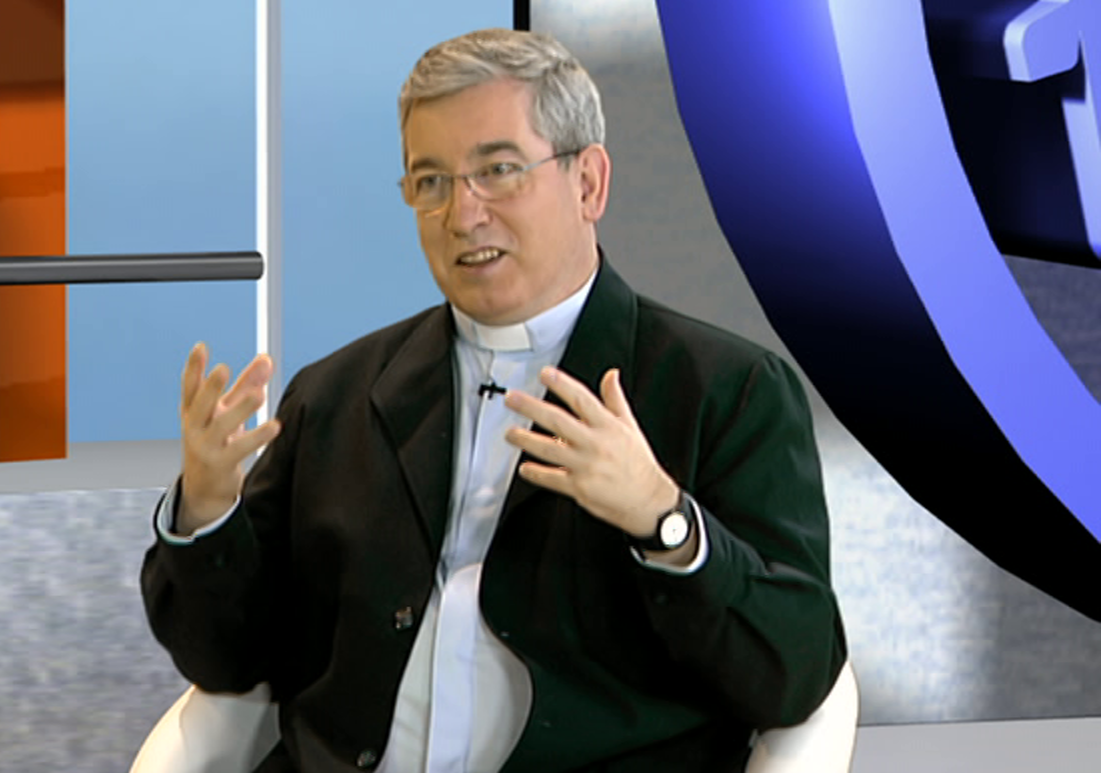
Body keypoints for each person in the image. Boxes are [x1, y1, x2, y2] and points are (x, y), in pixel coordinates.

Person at [141, 28, 846, 773]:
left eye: (499, 171)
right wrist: (207, 512)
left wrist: (665, 520)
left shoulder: (727, 391)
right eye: (430, 182)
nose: (462, 214)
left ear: (588, 183)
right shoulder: (335, 395)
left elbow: (796, 675)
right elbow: (226, 662)